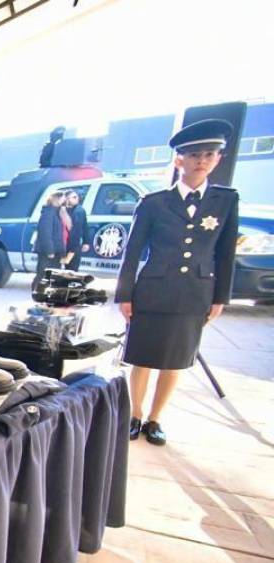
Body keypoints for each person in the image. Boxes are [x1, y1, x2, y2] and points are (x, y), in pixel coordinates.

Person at [115, 119, 239, 446]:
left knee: (175, 361)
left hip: (194, 294)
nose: (201, 160)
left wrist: (219, 297)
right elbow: (132, 253)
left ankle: (156, 418)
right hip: (153, 292)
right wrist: (125, 294)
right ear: (178, 160)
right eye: (194, 154)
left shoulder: (225, 201)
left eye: (209, 154)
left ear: (218, 159)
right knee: (142, 358)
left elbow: (225, 254)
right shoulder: (154, 203)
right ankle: (136, 413)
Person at [32, 191, 68, 289]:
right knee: (42, 274)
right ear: (57, 199)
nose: (64, 200)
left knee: (52, 276)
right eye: (63, 198)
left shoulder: (57, 212)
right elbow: (45, 233)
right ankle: (36, 292)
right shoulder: (48, 212)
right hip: (48, 251)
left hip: (56, 251)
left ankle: (46, 295)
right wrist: (49, 250)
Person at [63, 189, 89, 271]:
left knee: (72, 269)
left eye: (76, 196)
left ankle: (68, 282)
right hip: (63, 245)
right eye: (73, 197)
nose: (76, 198)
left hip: (74, 246)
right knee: (61, 268)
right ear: (67, 199)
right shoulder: (61, 210)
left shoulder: (80, 210)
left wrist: (86, 242)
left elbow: (84, 227)